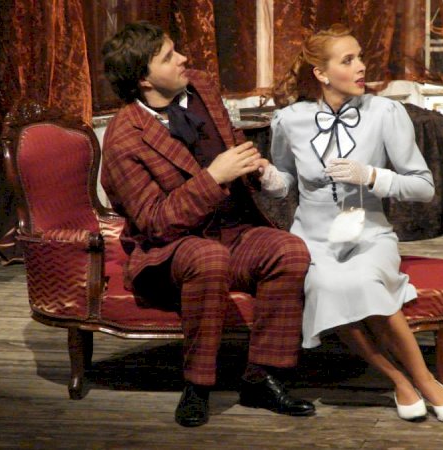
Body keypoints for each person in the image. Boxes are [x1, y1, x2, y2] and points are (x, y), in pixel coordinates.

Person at [100, 21, 315, 428]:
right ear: (144, 79)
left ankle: (261, 378)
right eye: (169, 57)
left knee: (288, 250)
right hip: (170, 251)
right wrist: (214, 177)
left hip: (232, 232)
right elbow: (155, 223)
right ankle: (197, 386)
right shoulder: (124, 138)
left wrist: (254, 167)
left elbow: (229, 138)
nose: (183, 58)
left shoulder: (200, 86)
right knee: (207, 256)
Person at [259, 24, 443, 424]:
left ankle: (425, 380)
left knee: (364, 281)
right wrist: (268, 178)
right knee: (326, 285)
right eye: (348, 60)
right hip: (313, 238)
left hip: (368, 232)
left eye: (360, 58)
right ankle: (399, 380)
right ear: (321, 73)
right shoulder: (289, 119)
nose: (361, 67)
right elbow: (284, 184)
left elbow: (423, 188)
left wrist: (371, 176)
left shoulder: (385, 113)